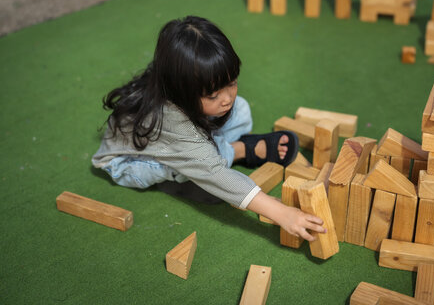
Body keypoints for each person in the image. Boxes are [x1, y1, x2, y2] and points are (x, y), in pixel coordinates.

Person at [92, 16, 326, 241]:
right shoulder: (170, 119)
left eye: (231, 83)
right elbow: (213, 171)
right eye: (213, 95)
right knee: (208, 165)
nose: (227, 99)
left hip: (184, 133)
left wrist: (212, 104)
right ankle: (239, 150)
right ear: (180, 90)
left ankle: (220, 151)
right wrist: (282, 212)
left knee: (241, 110)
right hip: (130, 163)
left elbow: (222, 109)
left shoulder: (178, 80)